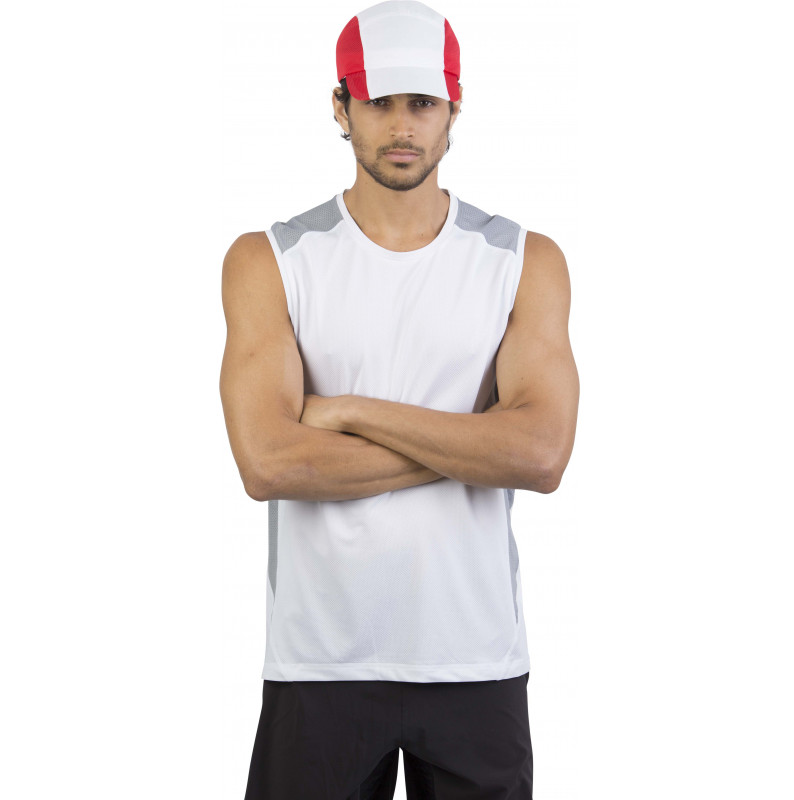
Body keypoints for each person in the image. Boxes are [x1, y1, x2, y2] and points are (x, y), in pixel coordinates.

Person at [219, 1, 580, 797]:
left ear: (455, 108)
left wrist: (349, 411)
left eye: (423, 102)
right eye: (379, 102)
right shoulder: (271, 260)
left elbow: (540, 455)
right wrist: (477, 444)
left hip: (475, 659)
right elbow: (269, 462)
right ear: (340, 107)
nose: (403, 125)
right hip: (320, 663)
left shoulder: (522, 260)